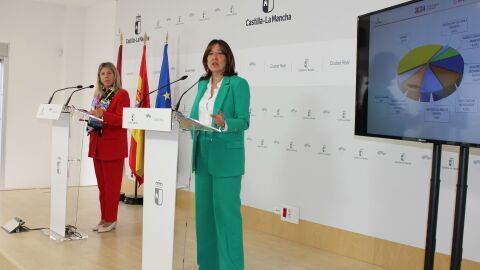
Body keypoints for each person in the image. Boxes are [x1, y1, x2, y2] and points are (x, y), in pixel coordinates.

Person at [189, 39, 250, 270]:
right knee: (204, 216)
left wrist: (225, 123)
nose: (214, 57)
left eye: (220, 53)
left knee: (226, 217)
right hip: (202, 152)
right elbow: (197, 116)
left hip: (225, 155)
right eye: (210, 53)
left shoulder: (238, 84)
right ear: (206, 59)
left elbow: (244, 121)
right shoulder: (202, 85)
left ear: (228, 58)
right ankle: (208, 265)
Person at [88, 62, 130, 233]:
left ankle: (111, 219)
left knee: (112, 188)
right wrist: (88, 116)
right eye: (102, 73)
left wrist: (102, 115)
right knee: (102, 187)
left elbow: (123, 120)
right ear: (99, 77)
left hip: (112, 147)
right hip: (97, 145)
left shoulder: (121, 94)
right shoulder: (99, 95)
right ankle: (104, 218)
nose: (106, 76)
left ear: (115, 75)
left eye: (109, 73)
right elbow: (97, 117)